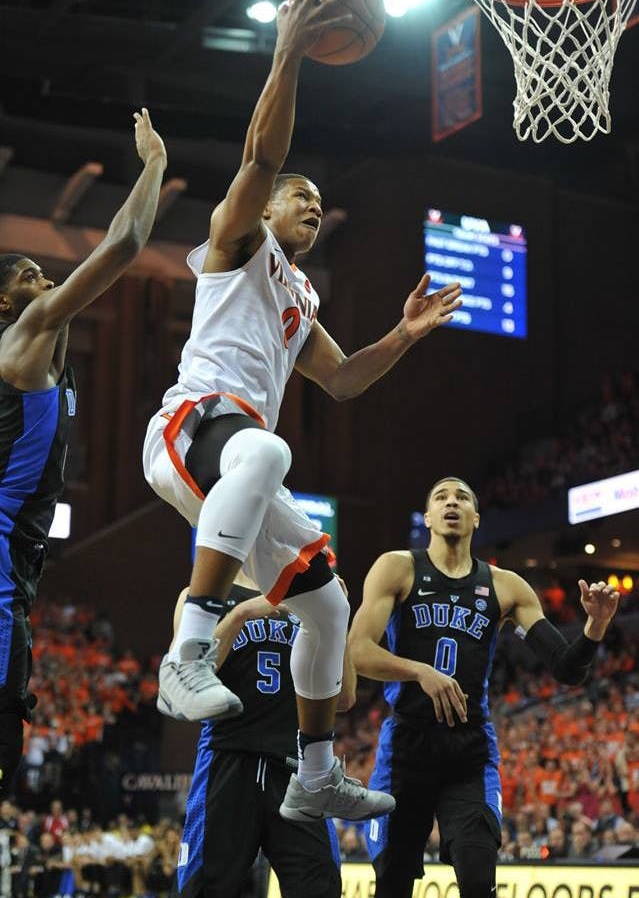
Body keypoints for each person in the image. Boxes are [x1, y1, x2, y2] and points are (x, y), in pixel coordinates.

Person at [142, 0, 461, 823]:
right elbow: (259, 159)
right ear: (265, 211)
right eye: (301, 199)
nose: (313, 208)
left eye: (320, 205)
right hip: (191, 426)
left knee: (328, 603)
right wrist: (287, 52)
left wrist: (404, 335)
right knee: (268, 448)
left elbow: (343, 379)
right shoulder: (236, 242)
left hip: (238, 461)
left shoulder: (300, 297)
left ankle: (313, 773)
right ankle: (187, 651)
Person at [0, 108, 167, 796]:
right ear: (4, 301)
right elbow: (124, 244)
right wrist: (154, 164)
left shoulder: (49, 361)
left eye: (45, 273)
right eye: (28, 274)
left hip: (19, 561)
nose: (43, 281)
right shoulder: (25, 335)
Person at [348, 476, 619, 898]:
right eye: (441, 497)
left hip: (469, 751)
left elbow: (567, 668)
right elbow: (359, 651)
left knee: (478, 880)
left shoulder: (506, 586)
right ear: (428, 517)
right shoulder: (397, 567)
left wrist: (595, 627)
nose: (451, 502)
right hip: (406, 746)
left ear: (475, 518)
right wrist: (420, 672)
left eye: (462, 498)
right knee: (393, 884)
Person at [173, 571, 353, 898]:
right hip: (228, 761)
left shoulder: (311, 595)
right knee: (203, 889)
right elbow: (183, 682)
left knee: (321, 887)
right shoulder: (203, 594)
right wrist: (241, 614)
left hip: (297, 767)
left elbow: (344, 698)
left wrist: (338, 616)